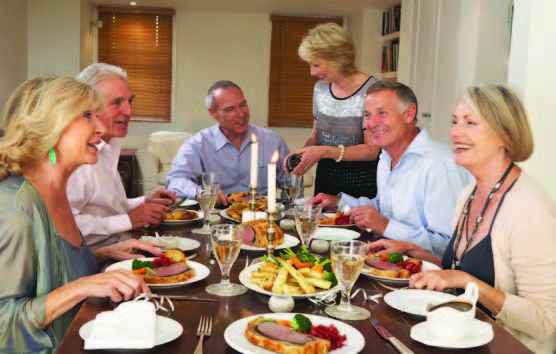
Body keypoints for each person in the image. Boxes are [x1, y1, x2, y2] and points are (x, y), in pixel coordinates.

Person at [369, 85, 556, 354]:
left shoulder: (529, 207)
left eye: (471, 123)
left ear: (506, 134)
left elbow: (544, 322)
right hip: (457, 337)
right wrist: (410, 249)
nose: (456, 132)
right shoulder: (471, 191)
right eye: (455, 121)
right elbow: (456, 270)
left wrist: (466, 281)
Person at [0, 76, 161, 353]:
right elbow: (4, 325)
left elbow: (53, 267)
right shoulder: (16, 207)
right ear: (49, 125)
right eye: (87, 116)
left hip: (90, 333)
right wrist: (83, 286)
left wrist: (106, 253)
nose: (100, 127)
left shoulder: (55, 190)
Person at [311, 81, 470, 258]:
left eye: (382, 113)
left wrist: (386, 226)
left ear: (409, 113)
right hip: (387, 263)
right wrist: (339, 203)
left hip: (426, 276)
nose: (372, 123)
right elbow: (383, 209)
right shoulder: (386, 157)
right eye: (367, 115)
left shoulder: (440, 164)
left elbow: (448, 246)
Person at [67, 63, 176, 249]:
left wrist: (144, 202)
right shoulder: (76, 158)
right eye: (116, 102)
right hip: (97, 261)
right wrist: (128, 220)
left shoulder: (110, 146)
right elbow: (67, 224)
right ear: (87, 107)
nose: (129, 112)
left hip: (125, 243)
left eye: (129, 101)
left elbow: (109, 208)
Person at [289, 23, 380, 198]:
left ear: (336, 59)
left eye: (315, 65)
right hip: (325, 184)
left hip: (361, 188)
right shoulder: (320, 88)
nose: (311, 72)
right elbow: (316, 135)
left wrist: (324, 151)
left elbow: (371, 151)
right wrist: (301, 156)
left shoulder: (372, 90)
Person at [166, 80, 290, 205]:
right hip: (217, 215)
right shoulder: (197, 144)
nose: (241, 114)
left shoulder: (273, 140)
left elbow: (291, 183)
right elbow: (175, 181)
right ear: (213, 113)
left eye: (243, 105)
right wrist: (202, 192)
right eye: (230, 109)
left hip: (261, 216)